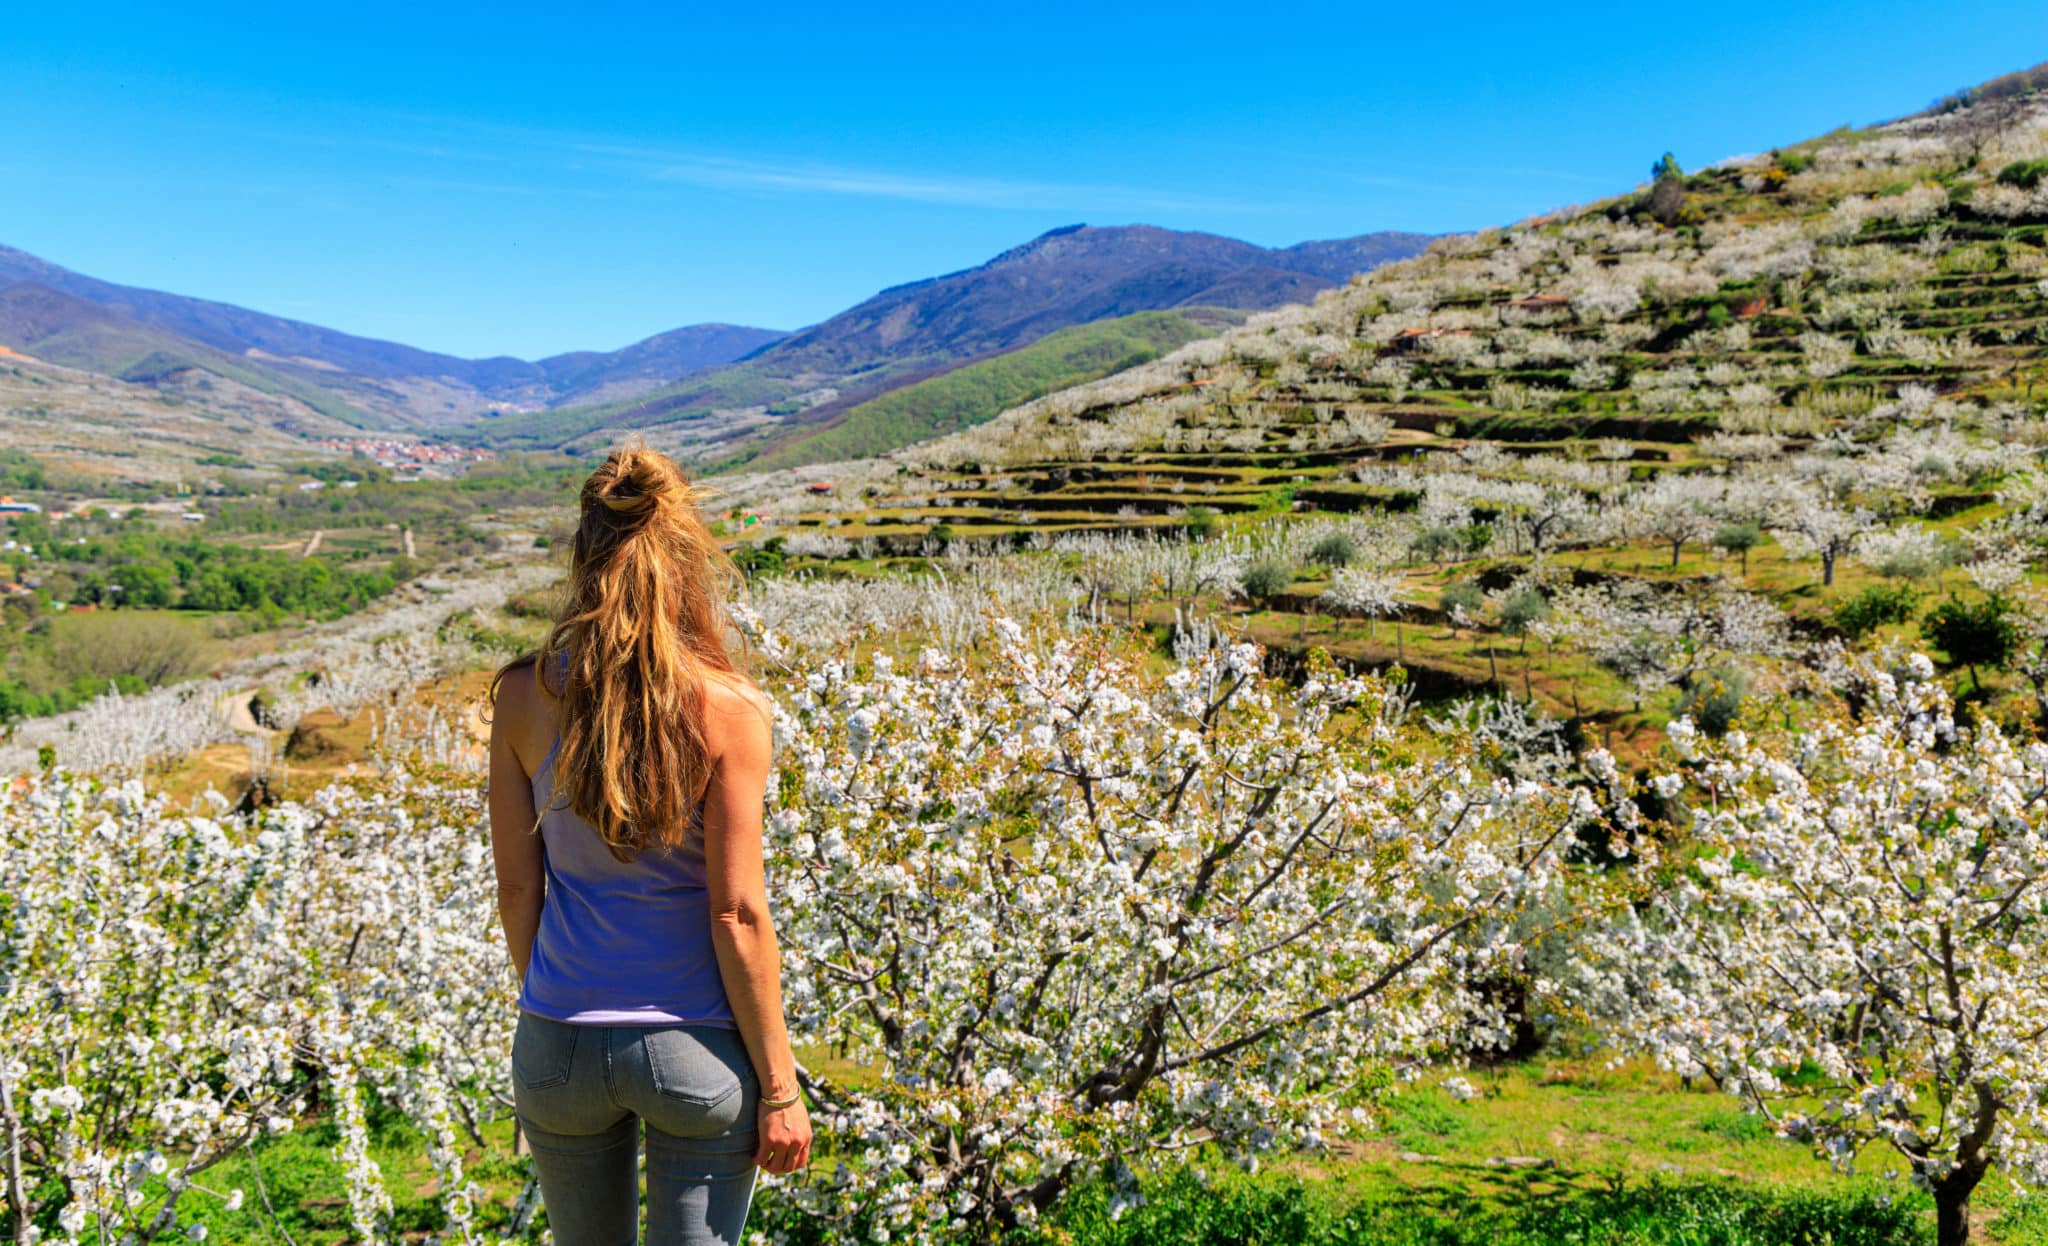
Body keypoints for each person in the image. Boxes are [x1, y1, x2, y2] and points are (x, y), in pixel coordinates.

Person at [488, 445, 811, 1244]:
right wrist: (780, 1088)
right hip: (694, 1046)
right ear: (687, 558)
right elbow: (736, 912)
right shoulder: (731, 710)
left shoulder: (524, 695)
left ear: (583, 552)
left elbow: (518, 891)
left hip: (557, 1038)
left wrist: (557, 1007)